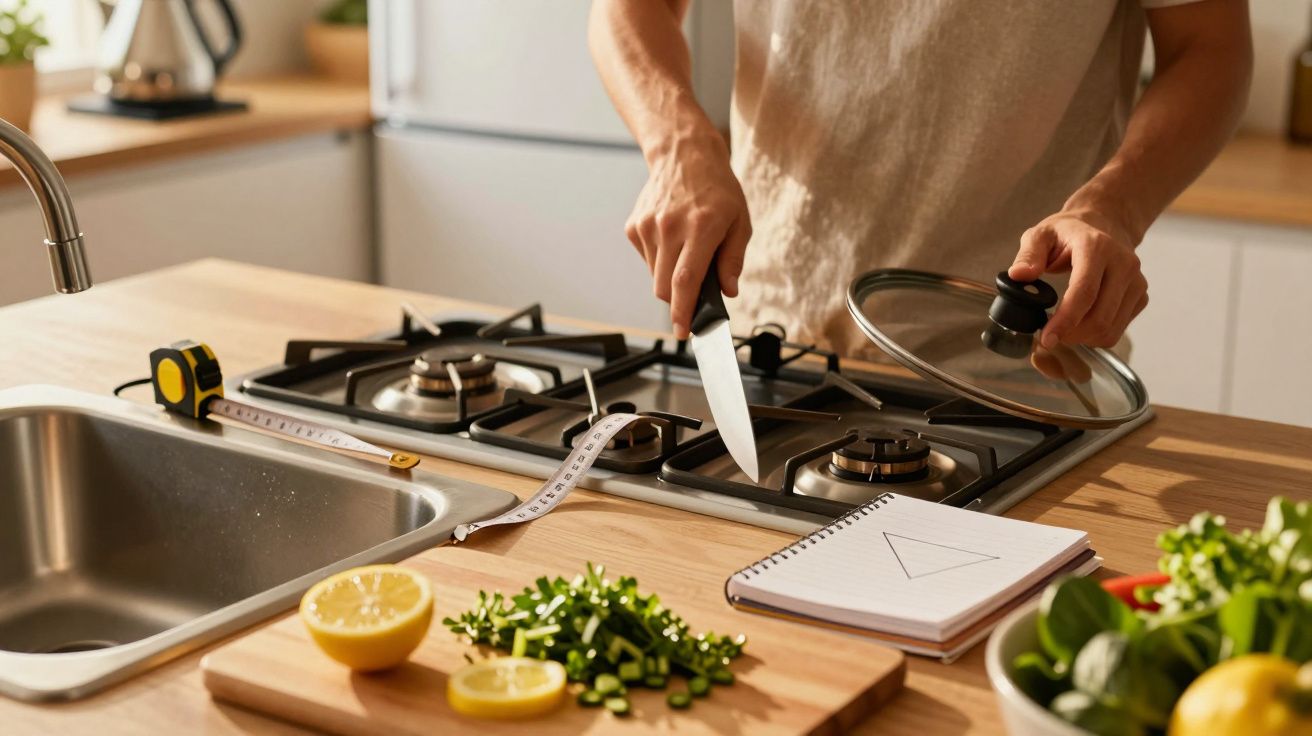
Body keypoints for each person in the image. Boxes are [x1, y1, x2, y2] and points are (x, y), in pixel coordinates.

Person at [589, 1, 1252, 359]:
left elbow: (1210, 45)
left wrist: (1113, 207)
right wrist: (677, 142)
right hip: (772, 334)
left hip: (1020, 360)